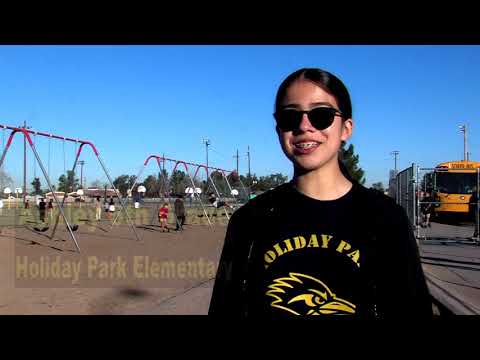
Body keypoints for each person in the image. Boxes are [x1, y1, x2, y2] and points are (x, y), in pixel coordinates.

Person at [209, 68, 432, 318]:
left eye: (321, 115)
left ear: (346, 128)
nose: (305, 126)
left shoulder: (386, 218)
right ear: (278, 130)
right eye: (290, 117)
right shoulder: (249, 220)